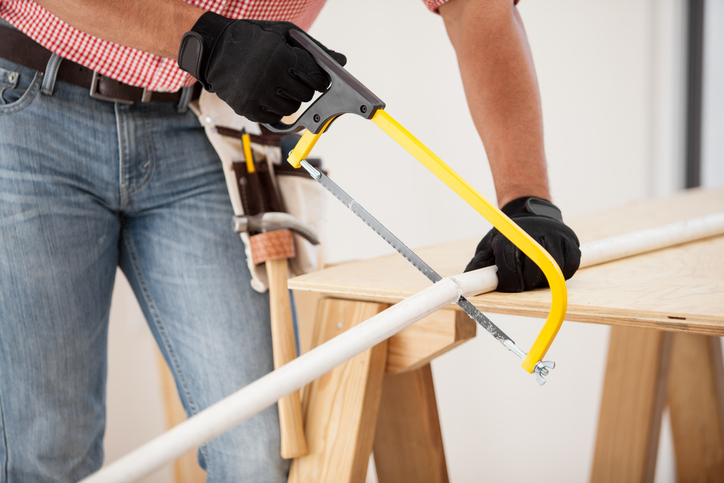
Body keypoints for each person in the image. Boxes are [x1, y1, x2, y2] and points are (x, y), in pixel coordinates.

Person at [0, 0, 580, 481]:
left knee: (259, 456)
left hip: (213, 130)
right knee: (46, 451)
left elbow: (476, 8)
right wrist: (206, 39)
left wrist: (525, 200)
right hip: (31, 110)